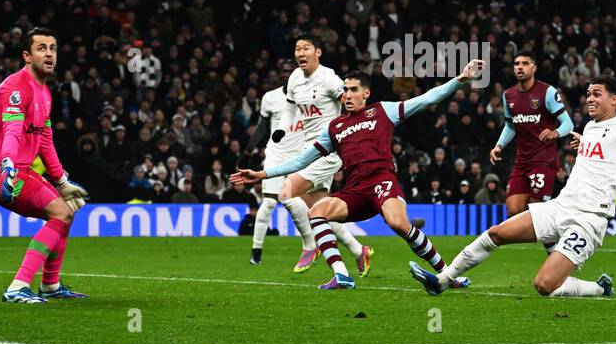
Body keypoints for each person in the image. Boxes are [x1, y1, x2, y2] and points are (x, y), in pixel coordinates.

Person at [410, 76, 616, 299]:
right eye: (588, 94)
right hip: (560, 206)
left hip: (589, 219)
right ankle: (443, 281)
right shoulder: (592, 128)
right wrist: (582, 142)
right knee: (497, 232)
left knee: (544, 285)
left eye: (597, 94)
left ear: (615, 99)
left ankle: (598, 288)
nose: (590, 99)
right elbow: (601, 154)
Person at [232, 59, 486, 290]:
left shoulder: (383, 111)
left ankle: (447, 275)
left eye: (353, 89)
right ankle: (342, 274)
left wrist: (460, 79)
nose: (347, 95)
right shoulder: (335, 127)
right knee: (316, 212)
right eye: (345, 90)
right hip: (354, 191)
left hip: (381, 181)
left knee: (398, 224)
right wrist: (263, 174)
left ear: (366, 93)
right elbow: (301, 160)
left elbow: (427, 99)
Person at [0, 27, 90, 304]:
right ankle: (17, 286)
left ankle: (50, 285)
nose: (49, 53)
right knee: (61, 214)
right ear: (27, 56)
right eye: (41, 48)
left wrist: (61, 181)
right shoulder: (16, 87)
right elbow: (12, 131)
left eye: (52, 48)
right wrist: (8, 167)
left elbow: (45, 139)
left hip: (17, 168)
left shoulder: (45, 93)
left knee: (65, 213)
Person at [274, 35, 367, 273]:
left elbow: (351, 104)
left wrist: (356, 134)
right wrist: (281, 130)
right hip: (308, 149)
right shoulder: (295, 77)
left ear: (318, 52)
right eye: (297, 49)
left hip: (328, 150)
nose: (300, 53)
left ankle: (309, 245)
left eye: (306, 48)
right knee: (319, 209)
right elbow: (290, 108)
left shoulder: (329, 78)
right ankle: (359, 250)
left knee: (285, 193)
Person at [490, 52, 573, 215]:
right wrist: (499, 145)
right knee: (513, 210)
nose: (520, 67)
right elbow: (510, 126)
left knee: (537, 213)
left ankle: (554, 239)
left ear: (534, 68)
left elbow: (568, 124)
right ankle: (554, 238)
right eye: (516, 63)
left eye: (525, 63)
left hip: (543, 161)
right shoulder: (508, 95)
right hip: (521, 161)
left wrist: (555, 132)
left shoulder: (547, 92)